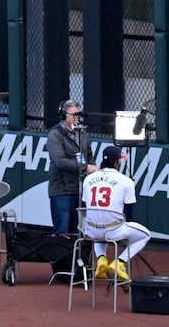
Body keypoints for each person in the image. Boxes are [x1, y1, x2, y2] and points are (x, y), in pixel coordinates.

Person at [81, 144, 151, 282]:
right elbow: (129, 214)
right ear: (116, 162)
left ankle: (101, 259)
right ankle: (120, 262)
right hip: (113, 229)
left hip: (90, 231)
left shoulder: (88, 178)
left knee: (99, 230)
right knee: (145, 235)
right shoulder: (126, 181)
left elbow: (85, 205)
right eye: (120, 160)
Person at [45, 99, 96, 234]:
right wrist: (85, 167)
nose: (77, 117)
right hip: (62, 191)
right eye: (73, 114)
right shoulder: (55, 135)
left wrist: (93, 169)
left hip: (79, 189)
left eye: (78, 114)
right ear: (63, 116)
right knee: (63, 231)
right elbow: (59, 162)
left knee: (76, 231)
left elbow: (89, 154)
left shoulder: (82, 132)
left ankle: (75, 255)